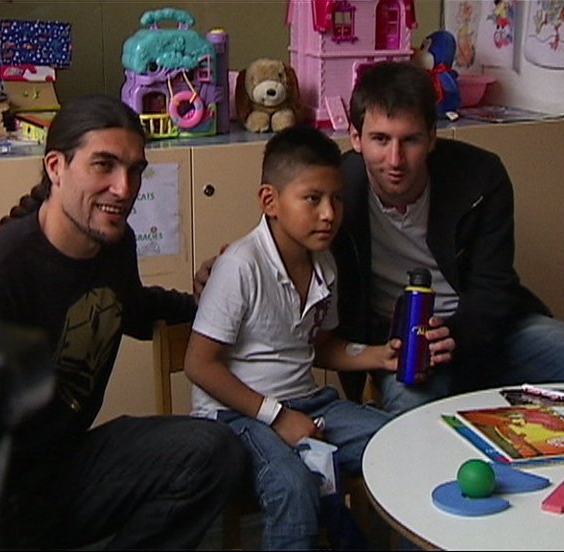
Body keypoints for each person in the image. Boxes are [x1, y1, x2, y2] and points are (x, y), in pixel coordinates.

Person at [0, 94, 247, 550]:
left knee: (212, 452)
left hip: (66, 470)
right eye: (104, 165)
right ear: (56, 168)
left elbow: (133, 308)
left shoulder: (114, 246)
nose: (124, 188)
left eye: (135, 169)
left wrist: (214, 300)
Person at [183, 125, 453, 550]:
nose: (329, 213)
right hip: (236, 418)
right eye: (313, 199)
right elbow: (198, 364)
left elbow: (321, 345)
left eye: (337, 198)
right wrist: (278, 417)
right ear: (269, 201)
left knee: (400, 443)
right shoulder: (240, 265)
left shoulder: (324, 263)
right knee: (292, 487)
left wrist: (378, 356)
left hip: (306, 402)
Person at [332, 60, 564, 415]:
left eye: (411, 139)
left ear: (432, 137)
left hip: (490, 329)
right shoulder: (336, 190)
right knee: (412, 416)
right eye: (380, 139)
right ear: (356, 138)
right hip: (404, 345)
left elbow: (495, 287)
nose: (395, 159)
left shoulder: (481, 176)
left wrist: (457, 336)